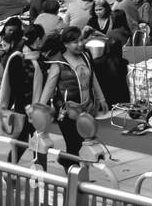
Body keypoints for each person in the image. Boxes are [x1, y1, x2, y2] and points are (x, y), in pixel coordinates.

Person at [37, 27, 107, 172]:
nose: (80, 44)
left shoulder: (86, 57)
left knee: (81, 142)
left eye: (81, 40)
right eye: (75, 42)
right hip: (67, 111)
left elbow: (93, 79)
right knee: (73, 143)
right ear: (66, 44)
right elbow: (49, 86)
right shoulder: (59, 62)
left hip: (86, 109)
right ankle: (72, 175)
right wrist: (40, 109)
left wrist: (101, 98)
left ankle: (66, 161)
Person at [0, 25, 45, 164]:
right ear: (38, 40)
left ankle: (39, 177)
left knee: (39, 144)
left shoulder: (38, 56)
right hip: (24, 108)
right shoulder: (18, 58)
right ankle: (9, 172)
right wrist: (27, 108)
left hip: (37, 108)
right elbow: (15, 87)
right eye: (42, 38)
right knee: (21, 143)